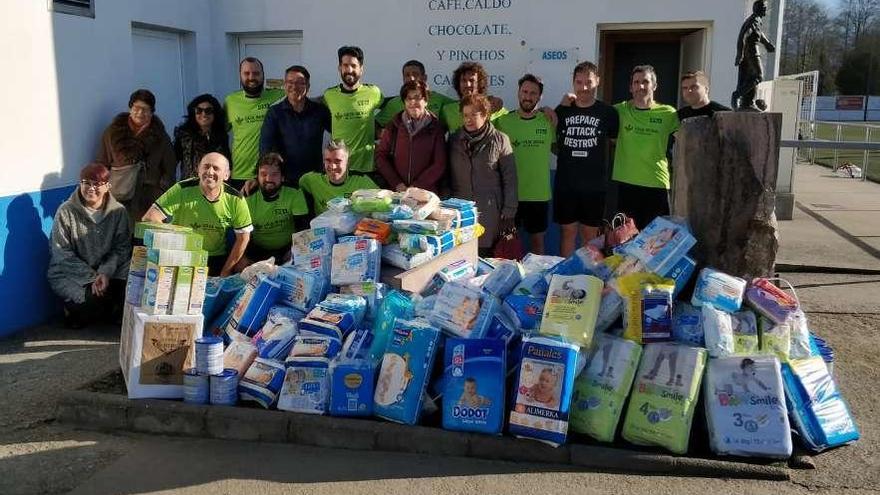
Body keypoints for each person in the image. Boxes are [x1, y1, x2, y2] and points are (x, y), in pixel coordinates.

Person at [48, 163, 131, 329]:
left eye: (97, 184)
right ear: (80, 184)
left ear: (107, 186)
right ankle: (75, 309)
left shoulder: (119, 212)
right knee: (89, 303)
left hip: (106, 271)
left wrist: (105, 272)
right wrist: (92, 277)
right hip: (70, 273)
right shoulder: (66, 211)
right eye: (86, 183)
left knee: (132, 277)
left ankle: (113, 308)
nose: (91, 188)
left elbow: (122, 248)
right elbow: (60, 252)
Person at [142, 152, 252, 276]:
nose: (210, 172)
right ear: (198, 170)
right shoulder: (182, 189)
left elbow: (243, 238)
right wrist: (176, 241)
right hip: (182, 256)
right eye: (206, 167)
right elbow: (150, 217)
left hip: (215, 257)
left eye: (216, 168)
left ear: (226, 175)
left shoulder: (236, 199)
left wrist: (225, 272)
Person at [553, 62, 619, 256]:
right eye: (579, 82)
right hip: (566, 185)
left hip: (595, 186)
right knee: (567, 232)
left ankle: (587, 279)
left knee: (590, 236)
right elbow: (554, 144)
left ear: (597, 81)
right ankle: (565, 279)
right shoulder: (562, 111)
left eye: (588, 82)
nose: (584, 88)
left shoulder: (609, 113)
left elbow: (615, 145)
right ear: (573, 83)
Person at [448, 94, 517, 255]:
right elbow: (447, 175)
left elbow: (510, 178)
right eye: (465, 115)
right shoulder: (453, 140)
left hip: (490, 212)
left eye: (474, 114)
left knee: (487, 259)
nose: (469, 119)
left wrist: (509, 210)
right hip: (461, 212)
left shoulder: (500, 140)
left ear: (485, 115)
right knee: (461, 258)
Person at [612, 65, 679, 229]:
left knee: (656, 241)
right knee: (625, 239)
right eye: (636, 82)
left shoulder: (668, 113)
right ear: (630, 87)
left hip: (656, 184)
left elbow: (687, 140)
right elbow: (593, 112)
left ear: (654, 86)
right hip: (627, 184)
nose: (640, 86)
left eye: (645, 82)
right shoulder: (619, 110)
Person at [96, 88, 176, 225]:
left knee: (146, 240)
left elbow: (169, 167)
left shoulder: (161, 137)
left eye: (145, 109)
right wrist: (101, 192)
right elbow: (102, 164)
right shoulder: (112, 133)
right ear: (130, 108)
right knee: (122, 236)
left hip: (150, 199)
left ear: (152, 112)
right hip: (120, 196)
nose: (140, 113)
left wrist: (162, 191)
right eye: (136, 108)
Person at [496, 74, 555, 255]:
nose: (528, 96)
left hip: (538, 194)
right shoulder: (503, 121)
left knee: (538, 244)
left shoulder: (549, 121)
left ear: (539, 97)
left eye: (533, 93)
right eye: (524, 91)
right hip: (510, 195)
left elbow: (560, 148)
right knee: (508, 243)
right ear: (518, 92)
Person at [259, 65, 331, 185]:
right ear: (285, 85)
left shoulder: (319, 111)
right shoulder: (274, 113)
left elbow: (338, 131)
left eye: (300, 83)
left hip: (314, 179)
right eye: (290, 82)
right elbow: (265, 147)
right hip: (285, 181)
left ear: (308, 86)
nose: (294, 87)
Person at [237, 153, 309, 269]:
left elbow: (303, 227)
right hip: (257, 251)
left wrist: (294, 249)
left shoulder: (294, 193)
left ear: (282, 177)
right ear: (257, 177)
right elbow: (240, 233)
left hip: (286, 250)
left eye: (274, 174)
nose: (269, 179)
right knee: (240, 265)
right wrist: (243, 256)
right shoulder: (247, 196)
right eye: (263, 174)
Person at [374, 79, 447, 193]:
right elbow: (381, 156)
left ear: (426, 100)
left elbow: (439, 163)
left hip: (425, 193)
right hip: (397, 192)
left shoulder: (435, 127)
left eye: (418, 97)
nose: (413, 102)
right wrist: (396, 183)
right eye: (409, 98)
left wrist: (417, 186)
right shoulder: (394, 125)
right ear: (404, 102)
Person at [321, 46, 383, 174]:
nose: (349, 70)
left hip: (367, 169)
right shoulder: (329, 95)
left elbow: (392, 105)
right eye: (345, 65)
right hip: (339, 169)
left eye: (354, 66)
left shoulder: (374, 93)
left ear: (361, 69)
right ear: (339, 68)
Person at [225, 57, 284, 191]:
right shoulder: (230, 101)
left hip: (271, 172)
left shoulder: (279, 96)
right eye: (246, 73)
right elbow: (220, 133)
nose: (251, 77)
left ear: (263, 75)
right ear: (240, 75)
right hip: (240, 173)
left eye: (256, 73)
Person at [299, 140, 378, 216]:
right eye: (328, 160)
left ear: (348, 161)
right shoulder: (310, 180)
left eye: (337, 161)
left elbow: (381, 201)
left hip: (354, 227)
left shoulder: (362, 181)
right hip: (324, 228)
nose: (332, 166)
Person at [375, 60, 454, 128]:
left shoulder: (439, 99)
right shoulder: (394, 104)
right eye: (407, 75)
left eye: (415, 74)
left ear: (424, 78)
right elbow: (375, 125)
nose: (411, 78)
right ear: (403, 78)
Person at [174, 94, 230, 180]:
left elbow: (227, 161)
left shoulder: (221, 136)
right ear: (193, 113)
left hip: (215, 185)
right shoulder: (184, 136)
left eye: (208, 111)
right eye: (199, 110)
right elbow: (172, 162)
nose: (203, 114)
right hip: (191, 186)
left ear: (215, 113)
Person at [440, 62, 508, 133]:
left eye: (472, 81)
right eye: (464, 80)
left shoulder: (497, 109)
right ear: (458, 83)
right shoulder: (447, 110)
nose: (468, 85)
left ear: (480, 83)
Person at [733, 0, 775, 111]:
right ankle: (737, 95)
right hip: (751, 52)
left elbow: (759, 34)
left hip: (749, 51)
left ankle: (747, 103)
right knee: (758, 76)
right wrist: (740, 54)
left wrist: (767, 44)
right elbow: (743, 35)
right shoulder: (754, 20)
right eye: (764, 8)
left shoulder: (756, 20)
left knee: (750, 77)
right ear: (757, 9)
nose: (766, 10)